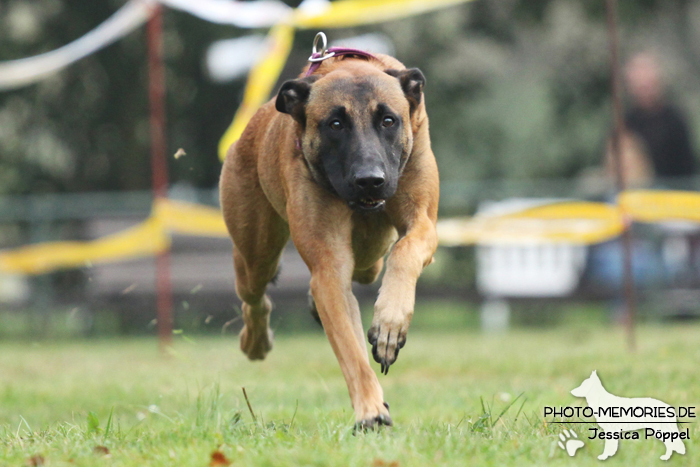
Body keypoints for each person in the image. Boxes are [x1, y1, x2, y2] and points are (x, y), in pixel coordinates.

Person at [624, 53, 697, 183]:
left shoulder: (675, 119)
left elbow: (687, 169)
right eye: (640, 85)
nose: (644, 89)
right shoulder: (625, 122)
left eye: (648, 84)